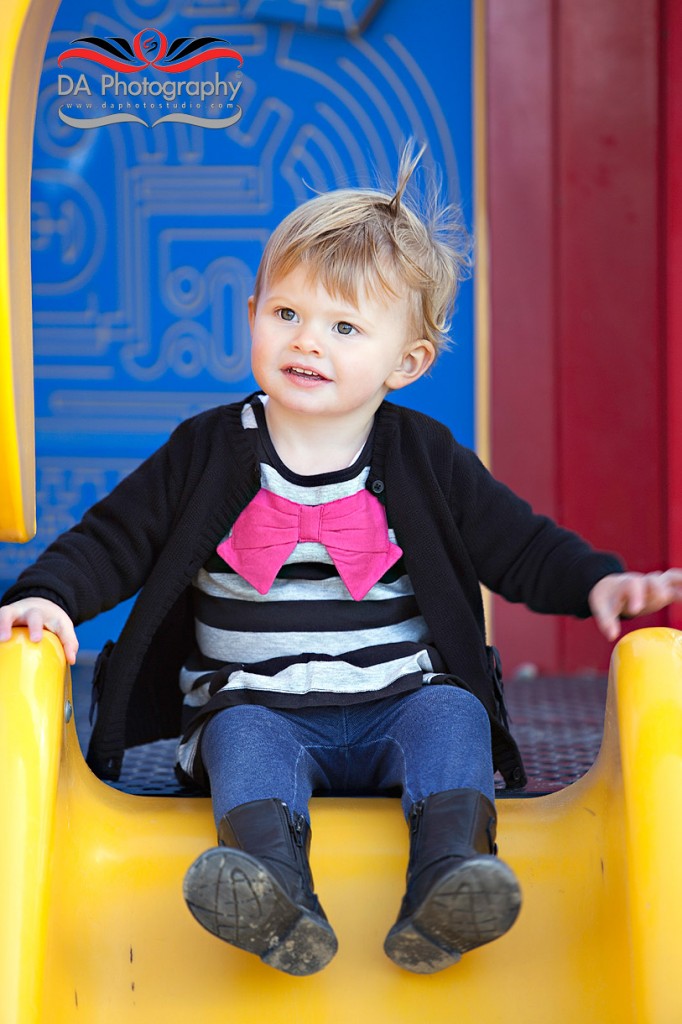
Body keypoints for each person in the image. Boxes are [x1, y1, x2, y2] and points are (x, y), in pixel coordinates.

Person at [1, 144, 681, 978]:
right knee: (240, 737)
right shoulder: (210, 450)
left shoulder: (423, 455)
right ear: (251, 310)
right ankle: (270, 890)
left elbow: (517, 541)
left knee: (455, 716)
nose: (307, 342)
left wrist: (597, 580)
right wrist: (49, 596)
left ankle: (451, 877)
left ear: (408, 362)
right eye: (285, 314)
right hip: (260, 705)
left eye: (344, 327)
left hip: (399, 699)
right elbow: (115, 537)